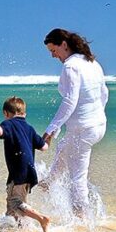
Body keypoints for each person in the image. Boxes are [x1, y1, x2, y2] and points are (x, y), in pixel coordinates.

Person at [41, 28, 109, 216]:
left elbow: (70, 100)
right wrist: (96, 115)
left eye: (53, 51)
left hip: (84, 129)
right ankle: (50, 181)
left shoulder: (70, 66)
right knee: (64, 146)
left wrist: (50, 130)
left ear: (64, 45)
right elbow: (105, 93)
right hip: (98, 125)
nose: (53, 56)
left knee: (77, 177)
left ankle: (82, 220)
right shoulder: (92, 62)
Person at [0, 96, 51, 232]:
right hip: (30, 172)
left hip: (18, 172)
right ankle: (22, 228)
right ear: (24, 113)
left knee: (14, 202)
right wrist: (48, 138)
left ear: (5, 113)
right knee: (15, 205)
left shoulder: (8, 124)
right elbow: (44, 147)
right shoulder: (29, 128)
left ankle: (41, 219)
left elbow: (0, 131)